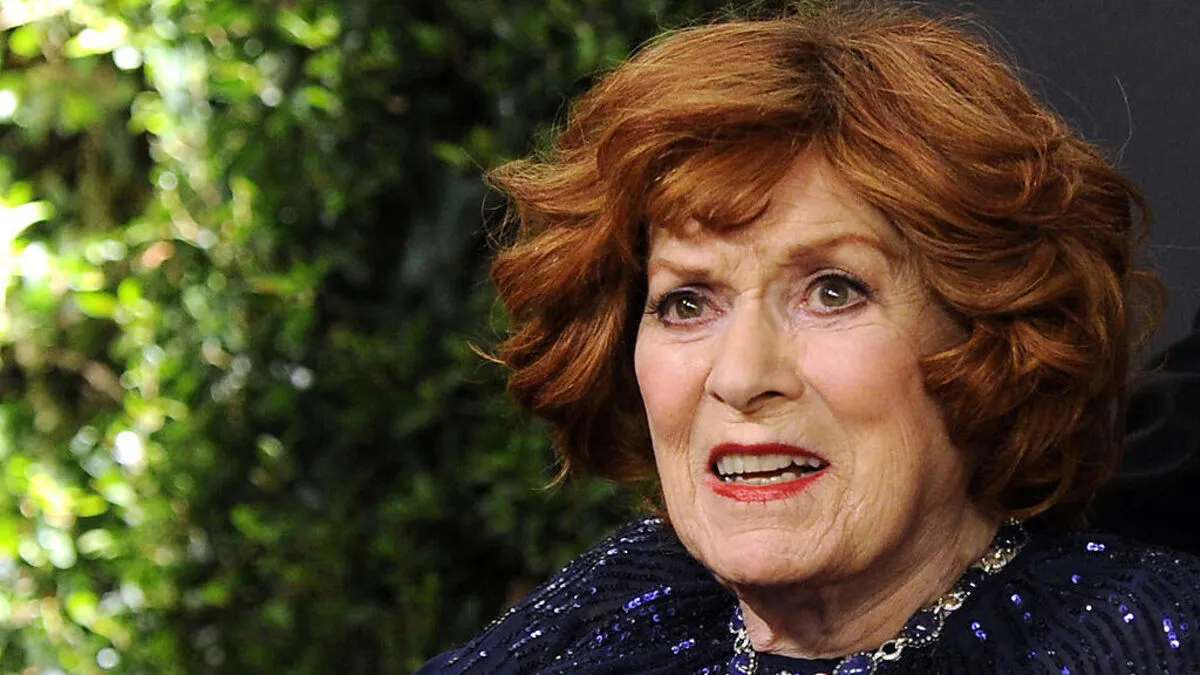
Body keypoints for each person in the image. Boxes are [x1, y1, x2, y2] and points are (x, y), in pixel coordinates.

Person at [419, 4, 1200, 673]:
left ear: (991, 336)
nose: (741, 375)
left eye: (833, 292)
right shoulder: (614, 608)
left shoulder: (1140, 640)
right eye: (687, 302)